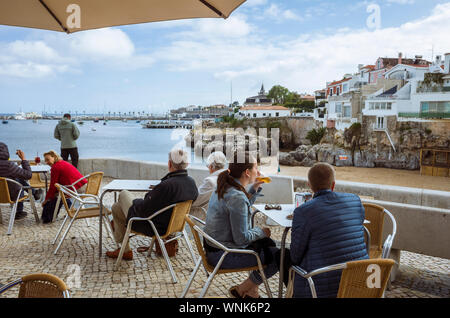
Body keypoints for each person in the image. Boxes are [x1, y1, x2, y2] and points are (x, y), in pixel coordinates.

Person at [286, 162, 369, 298]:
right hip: (359, 280)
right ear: (333, 184)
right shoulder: (355, 200)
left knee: (289, 262)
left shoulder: (303, 211)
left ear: (310, 186)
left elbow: (295, 257)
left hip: (320, 287)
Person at [204, 152, 279, 299]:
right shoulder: (237, 196)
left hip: (214, 248)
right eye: (256, 168)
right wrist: (261, 231)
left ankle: (252, 292)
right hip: (223, 255)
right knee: (279, 256)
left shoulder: (224, 186)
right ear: (247, 172)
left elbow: (239, 210)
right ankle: (241, 290)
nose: (258, 172)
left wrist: (255, 188)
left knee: (267, 246)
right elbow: (241, 239)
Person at [106, 148, 199, 260]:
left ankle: (124, 249)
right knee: (116, 208)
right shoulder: (191, 183)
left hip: (153, 226)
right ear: (187, 164)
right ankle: (124, 250)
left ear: (169, 163)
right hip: (173, 225)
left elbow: (145, 208)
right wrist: (157, 191)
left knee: (123, 194)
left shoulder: (166, 186)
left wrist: (141, 199)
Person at [41, 150, 87, 223]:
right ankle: (71, 209)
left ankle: (51, 216)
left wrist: (46, 200)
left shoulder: (55, 167)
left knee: (57, 195)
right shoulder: (63, 163)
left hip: (77, 187)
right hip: (82, 185)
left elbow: (52, 186)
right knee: (60, 191)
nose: (46, 162)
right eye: (45, 160)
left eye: (48, 160)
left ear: (54, 157)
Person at [189, 151, 227, 220]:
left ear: (211, 166)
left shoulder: (210, 182)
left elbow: (195, 201)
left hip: (206, 218)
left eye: (208, 166)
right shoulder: (228, 179)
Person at [0, 142, 32, 220]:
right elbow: (28, 175)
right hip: (12, 196)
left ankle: (34, 192)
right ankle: (19, 212)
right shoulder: (9, 165)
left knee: (17, 178)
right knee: (18, 182)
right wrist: (23, 159)